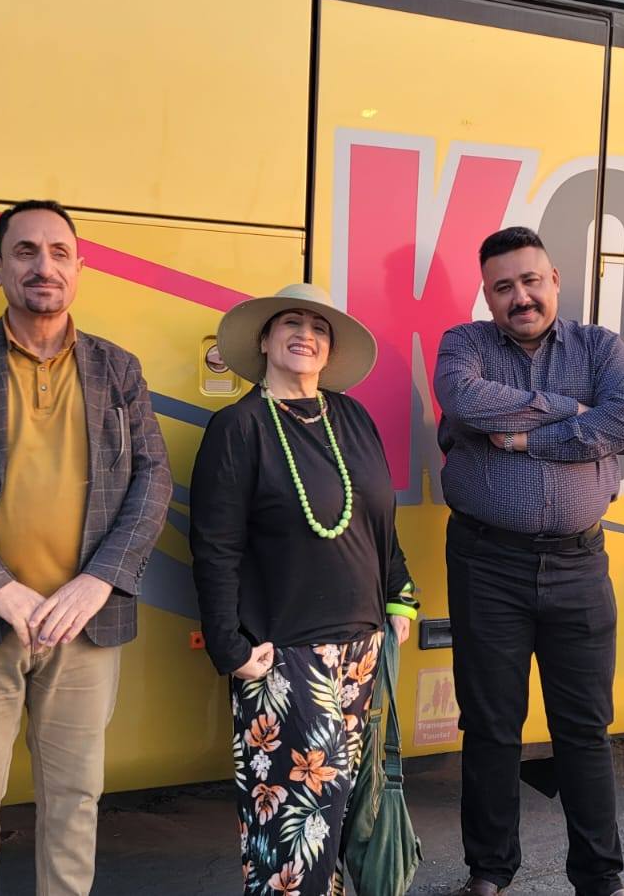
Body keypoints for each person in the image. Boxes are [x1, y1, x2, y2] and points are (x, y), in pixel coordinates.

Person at [0, 199, 171, 895]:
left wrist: (99, 580)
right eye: (25, 252)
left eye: (58, 252)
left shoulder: (118, 368)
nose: (44, 266)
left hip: (84, 626)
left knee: (75, 804)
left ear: (79, 268)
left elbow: (153, 478)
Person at [434, 227, 624, 896]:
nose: (520, 297)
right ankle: (489, 872)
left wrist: (523, 440)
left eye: (530, 281)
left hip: (579, 566)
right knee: (490, 725)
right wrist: (572, 413)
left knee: (584, 728)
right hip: (486, 563)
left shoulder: (600, 347)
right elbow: (464, 401)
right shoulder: (464, 345)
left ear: (554, 280)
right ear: (487, 295)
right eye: (503, 287)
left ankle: (600, 878)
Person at [190, 283, 421, 896]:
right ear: (264, 341)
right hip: (283, 653)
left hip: (362, 647)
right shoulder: (238, 427)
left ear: (330, 350)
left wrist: (399, 590)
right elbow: (214, 546)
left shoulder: (352, 417)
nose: (305, 335)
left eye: (319, 328)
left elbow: (379, 518)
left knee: (341, 813)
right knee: (296, 829)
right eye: (290, 323)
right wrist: (228, 646)